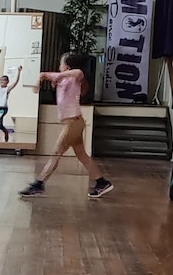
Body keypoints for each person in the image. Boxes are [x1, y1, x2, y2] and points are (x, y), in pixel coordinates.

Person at [19, 54, 114, 198]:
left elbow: (79, 72)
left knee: (56, 153)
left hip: (73, 123)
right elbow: (46, 76)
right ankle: (102, 183)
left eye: (61, 64)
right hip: (73, 122)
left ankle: (38, 184)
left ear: (67, 67)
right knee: (82, 155)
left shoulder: (74, 77)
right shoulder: (63, 80)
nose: (59, 67)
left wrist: (53, 76)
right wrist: (42, 78)